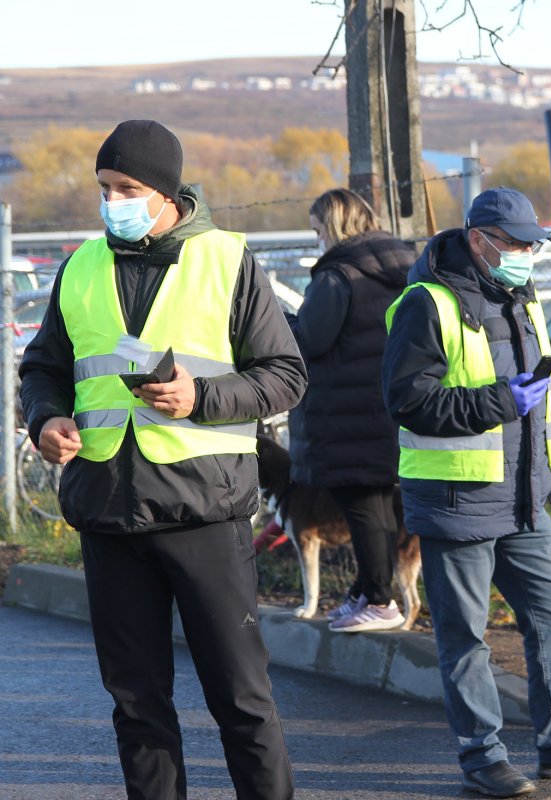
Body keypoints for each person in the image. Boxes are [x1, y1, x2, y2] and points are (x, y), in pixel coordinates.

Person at [19, 119, 307, 799]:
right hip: (108, 513)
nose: (111, 200)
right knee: (137, 709)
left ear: (168, 193)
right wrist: (46, 417)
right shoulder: (80, 266)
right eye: (104, 187)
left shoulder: (229, 261)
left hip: (203, 512)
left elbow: (286, 374)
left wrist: (201, 396)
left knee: (241, 702)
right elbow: (43, 368)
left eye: (126, 188)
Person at [381, 187, 551, 797]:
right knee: (465, 636)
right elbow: (407, 400)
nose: (528, 254)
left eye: (533, 245)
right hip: (457, 502)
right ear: (479, 241)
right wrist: (501, 401)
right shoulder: (427, 303)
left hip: (523, 498)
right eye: (519, 244)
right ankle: (481, 757)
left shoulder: (519, 298)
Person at [286, 187, 415, 632]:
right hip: (387, 403)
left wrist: (281, 323)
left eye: (318, 228)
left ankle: (379, 599)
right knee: (376, 499)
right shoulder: (402, 265)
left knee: (361, 504)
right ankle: (365, 589)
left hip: (345, 410)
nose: (318, 237)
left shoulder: (337, 275)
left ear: (335, 225)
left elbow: (311, 340)